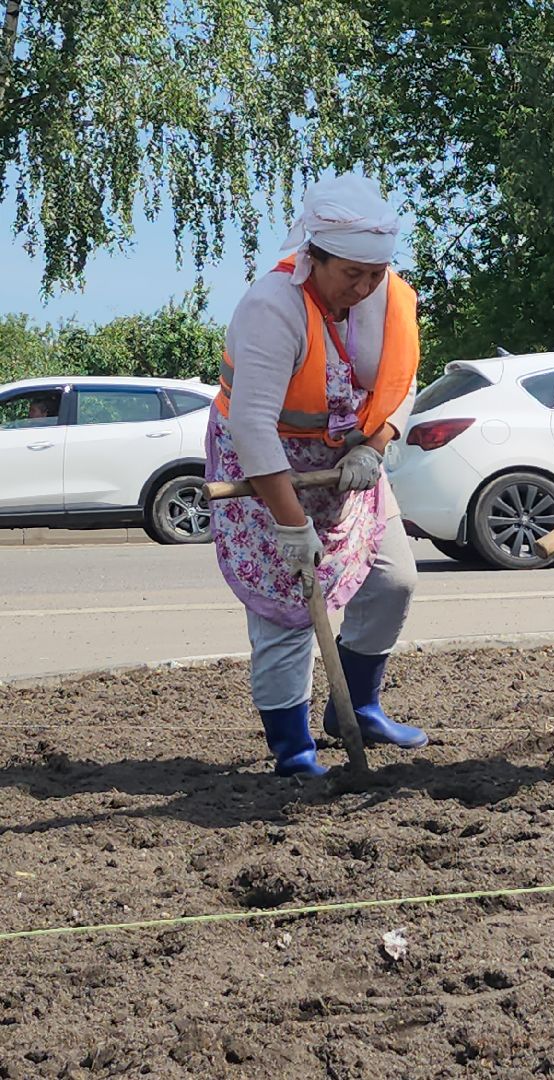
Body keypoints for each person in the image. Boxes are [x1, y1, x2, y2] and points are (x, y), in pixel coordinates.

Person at [206, 174, 427, 777]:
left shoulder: (389, 300)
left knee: (393, 581)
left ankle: (357, 706)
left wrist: (374, 447)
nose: (362, 286)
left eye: (374, 274)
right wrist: (290, 524)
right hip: (268, 471)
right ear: (314, 258)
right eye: (349, 273)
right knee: (287, 612)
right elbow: (251, 425)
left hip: (347, 466)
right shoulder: (272, 308)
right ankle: (293, 750)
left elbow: (398, 385)